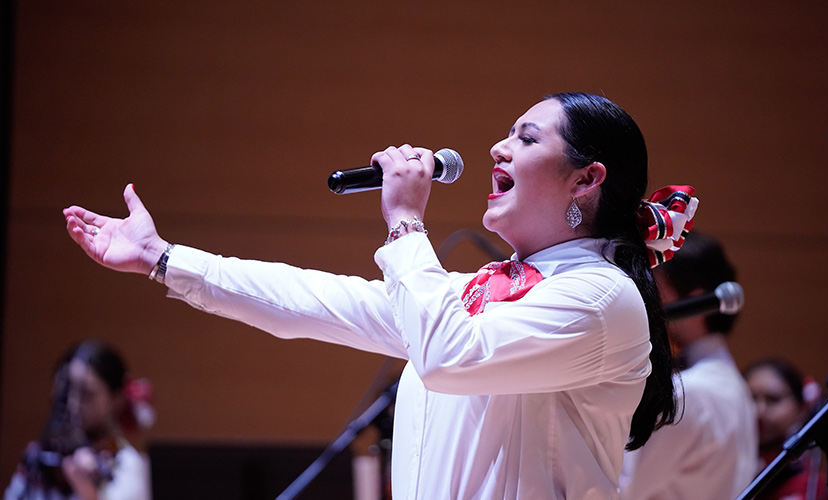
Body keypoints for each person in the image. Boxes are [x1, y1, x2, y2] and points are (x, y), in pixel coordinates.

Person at [62, 92, 694, 499]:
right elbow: (311, 302)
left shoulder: (603, 299)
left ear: (586, 180)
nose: (498, 148)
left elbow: (451, 358)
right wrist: (162, 259)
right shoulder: (471, 292)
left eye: (526, 139)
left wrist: (406, 223)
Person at [619, 231, 758, 500]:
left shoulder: (691, 392)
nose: (645, 305)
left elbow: (621, 489)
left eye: (654, 293)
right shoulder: (729, 382)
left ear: (695, 300)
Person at [4, 340, 153, 500]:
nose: (73, 404)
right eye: (67, 391)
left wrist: (88, 491)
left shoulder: (126, 466)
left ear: (116, 398)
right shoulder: (42, 458)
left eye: (87, 394)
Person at [744, 357, 828, 500]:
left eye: (773, 399)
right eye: (749, 399)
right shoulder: (724, 465)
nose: (758, 410)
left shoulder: (812, 485)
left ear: (802, 407)